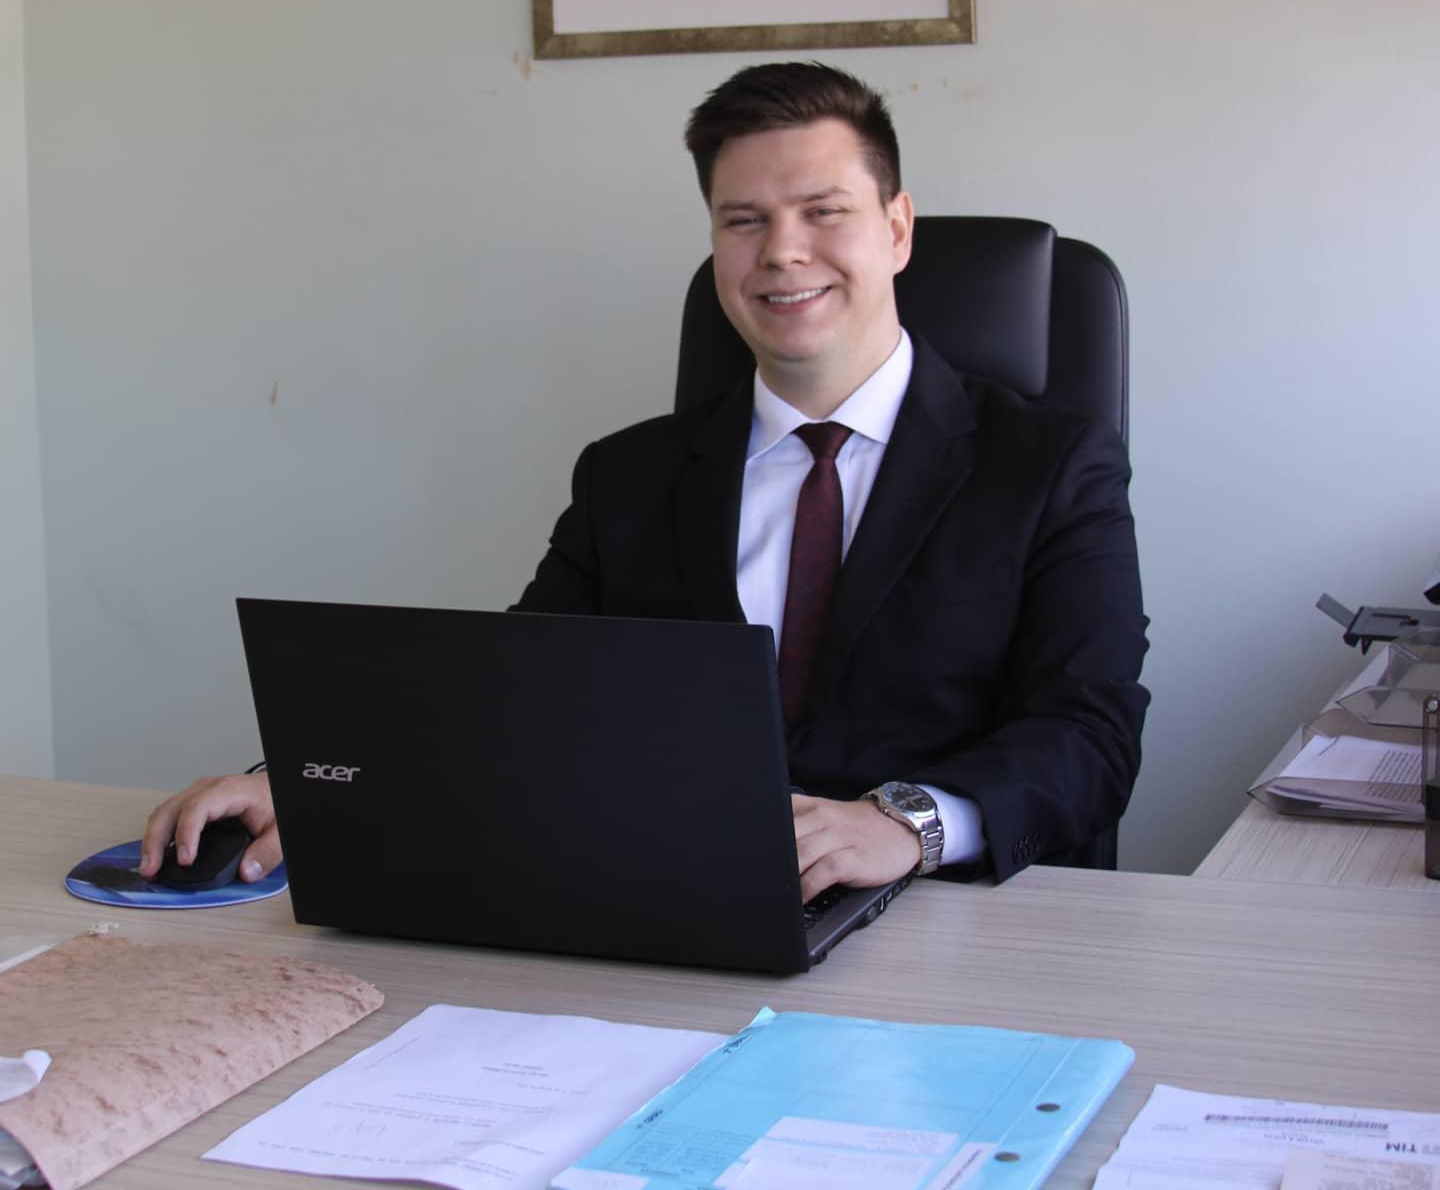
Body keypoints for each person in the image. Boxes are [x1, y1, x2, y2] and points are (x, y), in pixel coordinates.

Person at [142, 62, 1149, 899]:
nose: (782, 252)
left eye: (823, 212)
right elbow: (515, 690)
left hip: (944, 919)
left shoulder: (1050, 465)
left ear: (896, 228)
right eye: (743, 220)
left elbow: (1090, 731)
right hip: (665, 908)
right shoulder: (628, 475)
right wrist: (313, 779)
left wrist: (907, 825)